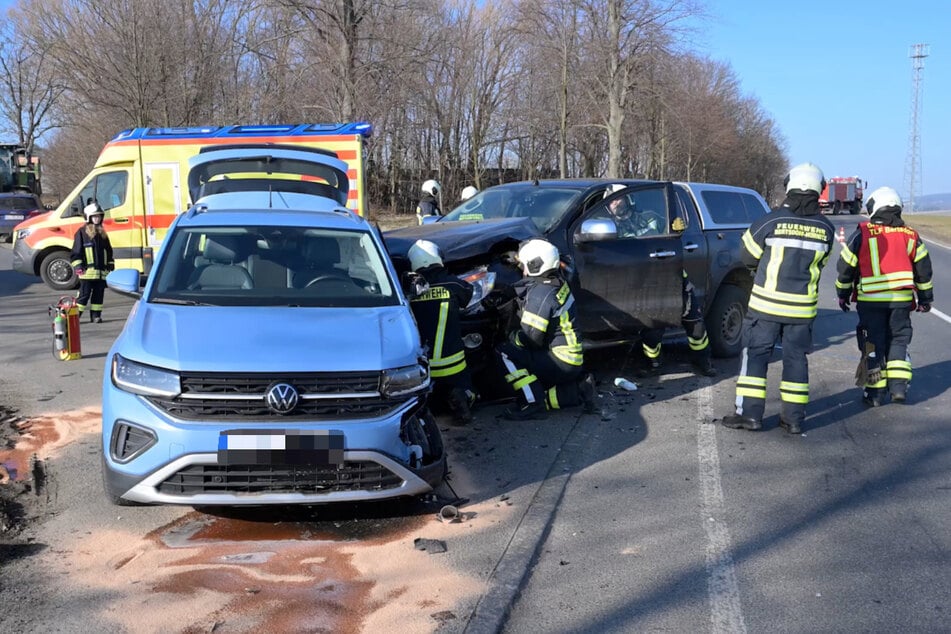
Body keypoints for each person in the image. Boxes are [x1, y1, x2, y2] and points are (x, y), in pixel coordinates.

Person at [721, 163, 835, 434]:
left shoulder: (770, 221)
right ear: (819, 190)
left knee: (756, 358)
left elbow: (746, 255)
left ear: (790, 186)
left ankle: (750, 416)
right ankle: (794, 419)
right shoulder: (826, 228)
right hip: (801, 311)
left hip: (766, 307)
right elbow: (822, 264)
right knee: (796, 361)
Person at [834, 186, 933, 406]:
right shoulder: (911, 236)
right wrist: (925, 298)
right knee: (898, 340)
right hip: (901, 302)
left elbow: (846, 266)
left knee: (872, 345)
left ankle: (875, 393)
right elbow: (923, 270)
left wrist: (843, 293)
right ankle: (898, 388)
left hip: (870, 302)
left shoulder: (863, 232)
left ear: (874, 207)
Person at [602, 184, 715, 377]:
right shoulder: (609, 227)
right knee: (651, 329)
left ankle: (702, 360)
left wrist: (678, 228)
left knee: (695, 324)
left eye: (618, 198)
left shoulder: (650, 217)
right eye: (611, 200)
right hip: (644, 284)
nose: (615, 203)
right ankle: (653, 362)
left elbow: (671, 235)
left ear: (628, 200)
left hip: (673, 278)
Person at [496, 238, 598, 420]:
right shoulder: (557, 282)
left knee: (504, 352)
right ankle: (578, 390)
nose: (523, 269)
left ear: (535, 265)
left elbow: (531, 338)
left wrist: (512, 337)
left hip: (560, 362)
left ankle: (532, 403)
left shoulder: (540, 295)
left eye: (525, 265)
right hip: (571, 358)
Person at [407, 239, 476, 425]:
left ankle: (428, 409)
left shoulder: (409, 291)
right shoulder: (453, 285)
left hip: (424, 366)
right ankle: (462, 399)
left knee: (426, 398)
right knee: (466, 387)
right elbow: (468, 293)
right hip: (454, 364)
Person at [71, 202, 114, 323]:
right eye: (94, 216)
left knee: (98, 296)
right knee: (83, 296)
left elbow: (108, 251)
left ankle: (96, 316)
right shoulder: (82, 232)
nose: (97, 219)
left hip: (101, 273)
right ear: (88, 217)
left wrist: (110, 264)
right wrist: (78, 266)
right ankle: (75, 317)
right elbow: (76, 252)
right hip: (87, 273)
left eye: (99, 216)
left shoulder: (102, 233)